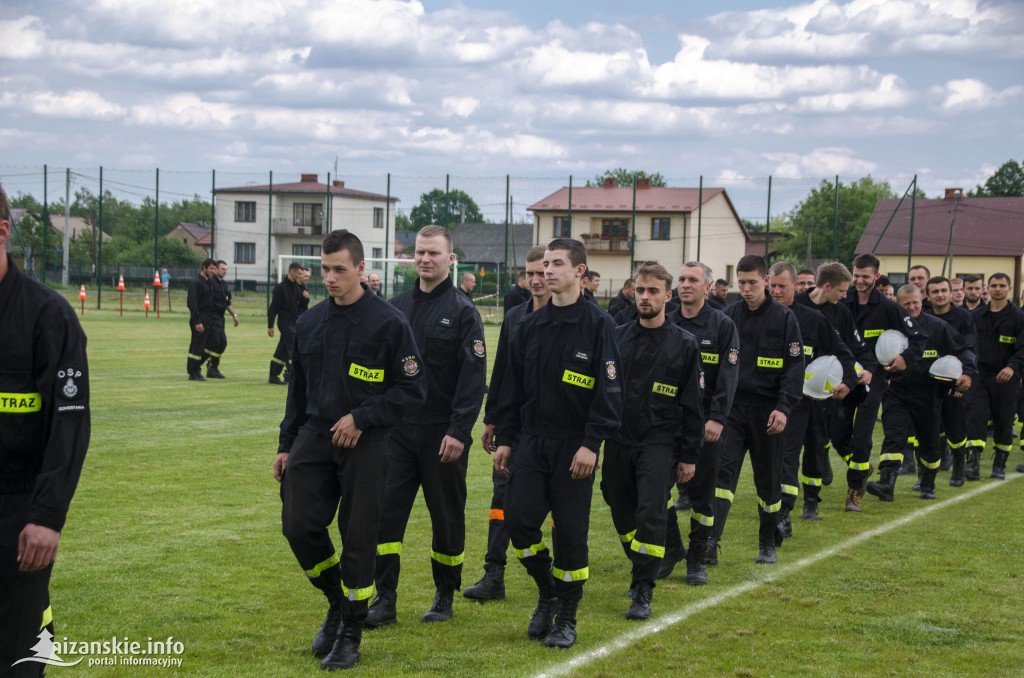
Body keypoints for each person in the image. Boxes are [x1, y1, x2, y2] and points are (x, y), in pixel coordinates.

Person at [275, 230, 426, 671]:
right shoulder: (309, 321)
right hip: (315, 436)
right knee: (297, 525)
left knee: (359, 540)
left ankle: (350, 634)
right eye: (325, 269)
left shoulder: (389, 322)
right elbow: (296, 394)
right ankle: (336, 602)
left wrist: (363, 417)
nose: (330, 277)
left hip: (368, 442)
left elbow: (413, 390)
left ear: (362, 269)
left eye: (340, 269)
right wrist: (286, 445)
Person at [492, 238, 622, 649]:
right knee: (516, 521)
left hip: (574, 446)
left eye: (557, 264)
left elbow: (610, 390)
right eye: (545, 264)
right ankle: (547, 589)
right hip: (531, 441)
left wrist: (592, 443)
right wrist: (507, 439)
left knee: (570, 534)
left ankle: (567, 615)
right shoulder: (528, 325)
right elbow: (512, 388)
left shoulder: (600, 325)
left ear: (580, 272)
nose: (547, 271)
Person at [366, 226, 487, 627]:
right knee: (385, 515)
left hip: (442, 433)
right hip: (398, 432)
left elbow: (472, 380)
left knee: (446, 516)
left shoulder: (463, 310)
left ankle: (444, 595)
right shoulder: (396, 306)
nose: (425, 260)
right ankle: (384, 599)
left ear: (450, 259)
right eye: (419, 253)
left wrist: (459, 430)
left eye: (433, 253)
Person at [0, 187, 90, 676]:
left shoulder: (47, 317)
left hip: (18, 510)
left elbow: (69, 425)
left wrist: (47, 516)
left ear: (2, 232)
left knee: (15, 654)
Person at [604, 262, 704, 619]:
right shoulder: (615, 336)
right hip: (618, 439)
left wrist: (689, 455)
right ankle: (651, 558)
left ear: (668, 295)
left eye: (653, 291)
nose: (645, 297)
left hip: (659, 441)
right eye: (640, 290)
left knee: (650, 510)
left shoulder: (685, 344)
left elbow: (693, 406)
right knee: (619, 508)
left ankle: (643, 587)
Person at [468, 247, 550, 602]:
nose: (535, 280)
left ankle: (560, 577)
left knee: (559, 506)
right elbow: (501, 371)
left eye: (542, 273)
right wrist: (491, 419)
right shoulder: (516, 316)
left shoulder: (583, 319)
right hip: (515, 426)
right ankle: (494, 574)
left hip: (558, 432)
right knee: (501, 496)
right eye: (529, 273)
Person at [715, 255, 803, 565]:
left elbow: (795, 368)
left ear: (765, 281)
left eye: (752, 282)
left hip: (769, 411)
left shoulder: (784, 318)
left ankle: (767, 543)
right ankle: (710, 542)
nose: (746, 288)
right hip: (734, 411)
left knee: (768, 480)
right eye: (741, 283)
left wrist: (783, 408)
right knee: (722, 475)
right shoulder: (728, 317)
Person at [865, 285, 976, 501]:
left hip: (928, 394)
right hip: (896, 392)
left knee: (929, 443)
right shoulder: (890, 331)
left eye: (915, 302)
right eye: (906, 304)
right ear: (898, 305)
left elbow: (963, 349)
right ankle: (886, 483)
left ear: (922, 299)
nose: (912, 306)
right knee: (894, 436)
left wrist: (968, 373)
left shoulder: (937, 327)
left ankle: (928, 482)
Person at [768, 262, 856, 531]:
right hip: (763, 401)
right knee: (775, 459)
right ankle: (777, 508)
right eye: (772, 286)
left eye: (781, 286)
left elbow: (844, 353)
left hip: (806, 401)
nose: (776, 291)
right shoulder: (751, 315)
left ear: (796, 285)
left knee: (802, 453)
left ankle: (794, 508)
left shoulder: (813, 319)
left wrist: (849, 382)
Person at [665, 261, 739, 582]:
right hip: (670, 424)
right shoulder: (666, 323)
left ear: (708, 288)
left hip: (706, 426)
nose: (685, 284)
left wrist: (718, 419)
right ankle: (671, 548)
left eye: (693, 279)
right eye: (681, 279)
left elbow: (728, 377)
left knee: (702, 497)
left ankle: (696, 558)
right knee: (656, 492)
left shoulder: (722, 326)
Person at [796, 262, 876, 491]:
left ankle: (815, 489)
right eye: (842, 291)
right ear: (828, 286)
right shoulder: (796, 306)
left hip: (828, 390)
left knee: (823, 438)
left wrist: (868, 368)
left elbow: (856, 347)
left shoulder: (841, 313)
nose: (844, 296)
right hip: (794, 389)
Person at [965, 273, 1024, 480]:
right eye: (993, 285)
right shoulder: (975, 316)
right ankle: (972, 462)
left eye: (1001, 285)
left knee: (1004, 420)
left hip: (1007, 377)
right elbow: (967, 345)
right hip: (979, 375)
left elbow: (1023, 349)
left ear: (1009, 288)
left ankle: (1000, 462)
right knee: (975, 416)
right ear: (986, 289)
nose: (997, 289)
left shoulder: (1019, 318)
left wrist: (1013, 367)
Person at [925, 276, 977, 483]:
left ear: (952, 292)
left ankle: (958, 464)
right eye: (935, 291)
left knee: (955, 427)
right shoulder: (924, 318)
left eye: (943, 290)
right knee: (928, 428)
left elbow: (970, 348)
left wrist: (964, 377)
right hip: (928, 382)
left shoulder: (963, 317)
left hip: (955, 382)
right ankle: (927, 475)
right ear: (927, 296)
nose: (940, 295)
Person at [267, 263, 307, 385]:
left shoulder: (296, 287)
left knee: (282, 349)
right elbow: (273, 308)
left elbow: (301, 307)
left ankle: (273, 376)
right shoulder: (280, 288)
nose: (301, 276)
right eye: (299, 273)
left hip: (294, 321)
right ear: (292, 272)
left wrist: (305, 299)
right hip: (284, 322)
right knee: (294, 345)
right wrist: (270, 326)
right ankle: (292, 375)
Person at [204, 260, 239, 379]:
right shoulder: (210, 283)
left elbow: (227, 303)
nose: (225, 271)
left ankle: (212, 365)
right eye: (222, 269)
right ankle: (209, 365)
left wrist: (234, 315)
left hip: (220, 317)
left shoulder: (225, 286)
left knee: (221, 343)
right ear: (216, 269)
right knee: (216, 342)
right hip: (211, 317)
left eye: (226, 269)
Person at [185, 258, 217, 381]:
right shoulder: (195, 283)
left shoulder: (210, 282)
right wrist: (197, 321)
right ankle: (193, 372)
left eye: (214, 269)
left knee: (212, 344)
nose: (213, 271)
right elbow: (192, 304)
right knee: (197, 346)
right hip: (199, 318)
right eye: (211, 268)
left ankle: (196, 367)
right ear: (204, 267)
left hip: (209, 319)